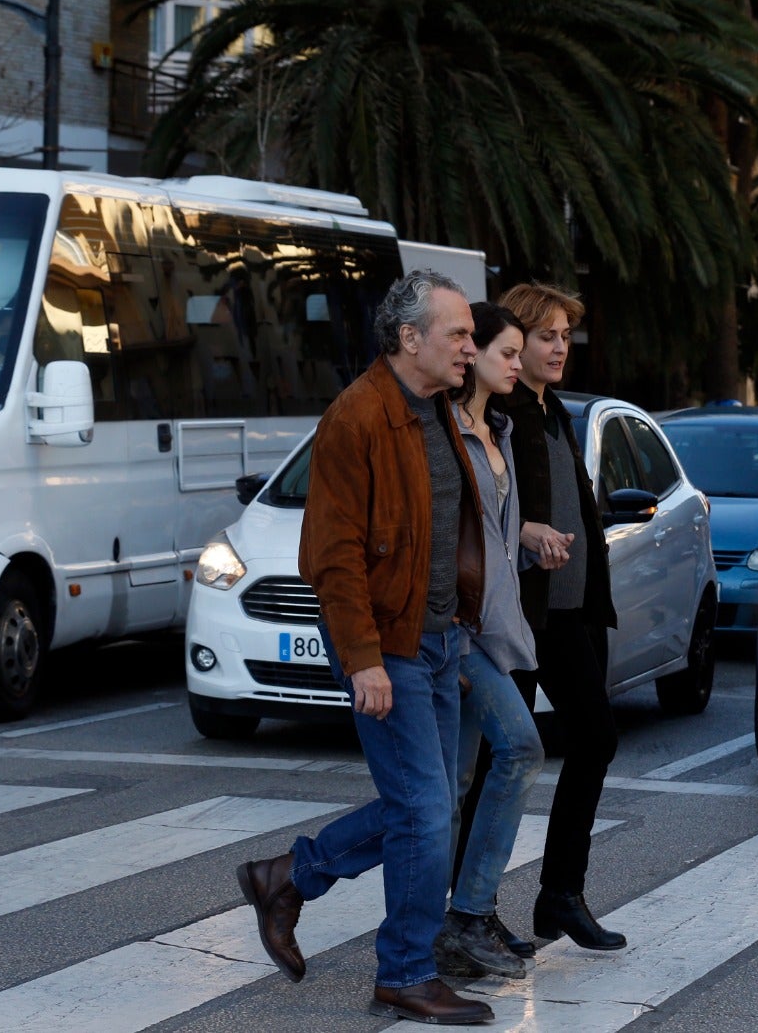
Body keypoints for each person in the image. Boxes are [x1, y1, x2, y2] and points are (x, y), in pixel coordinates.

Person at [235, 270, 495, 1026]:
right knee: (425, 809)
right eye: (457, 335)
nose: (469, 348)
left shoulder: (437, 407)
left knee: (429, 806)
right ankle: (405, 971)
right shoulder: (356, 419)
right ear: (408, 338)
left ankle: (290, 875)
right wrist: (364, 658)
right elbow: (332, 553)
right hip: (392, 644)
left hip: (441, 637)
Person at [464, 280, 627, 951]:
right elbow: (489, 512)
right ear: (512, 341)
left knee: (579, 742)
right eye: (545, 337)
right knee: (505, 759)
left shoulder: (551, 408)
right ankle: (474, 909)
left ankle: (556, 893)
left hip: (567, 612)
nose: (560, 347)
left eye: (566, 336)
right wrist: (528, 529)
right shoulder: (505, 415)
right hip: (525, 618)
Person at [436, 303, 546, 981]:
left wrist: (531, 544)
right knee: (521, 747)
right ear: (472, 354)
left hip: (496, 628)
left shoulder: (496, 430)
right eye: (506, 351)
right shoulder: (446, 433)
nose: (515, 361)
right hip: (459, 628)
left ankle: (452, 923)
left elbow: (493, 539)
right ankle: (468, 912)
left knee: (451, 785)